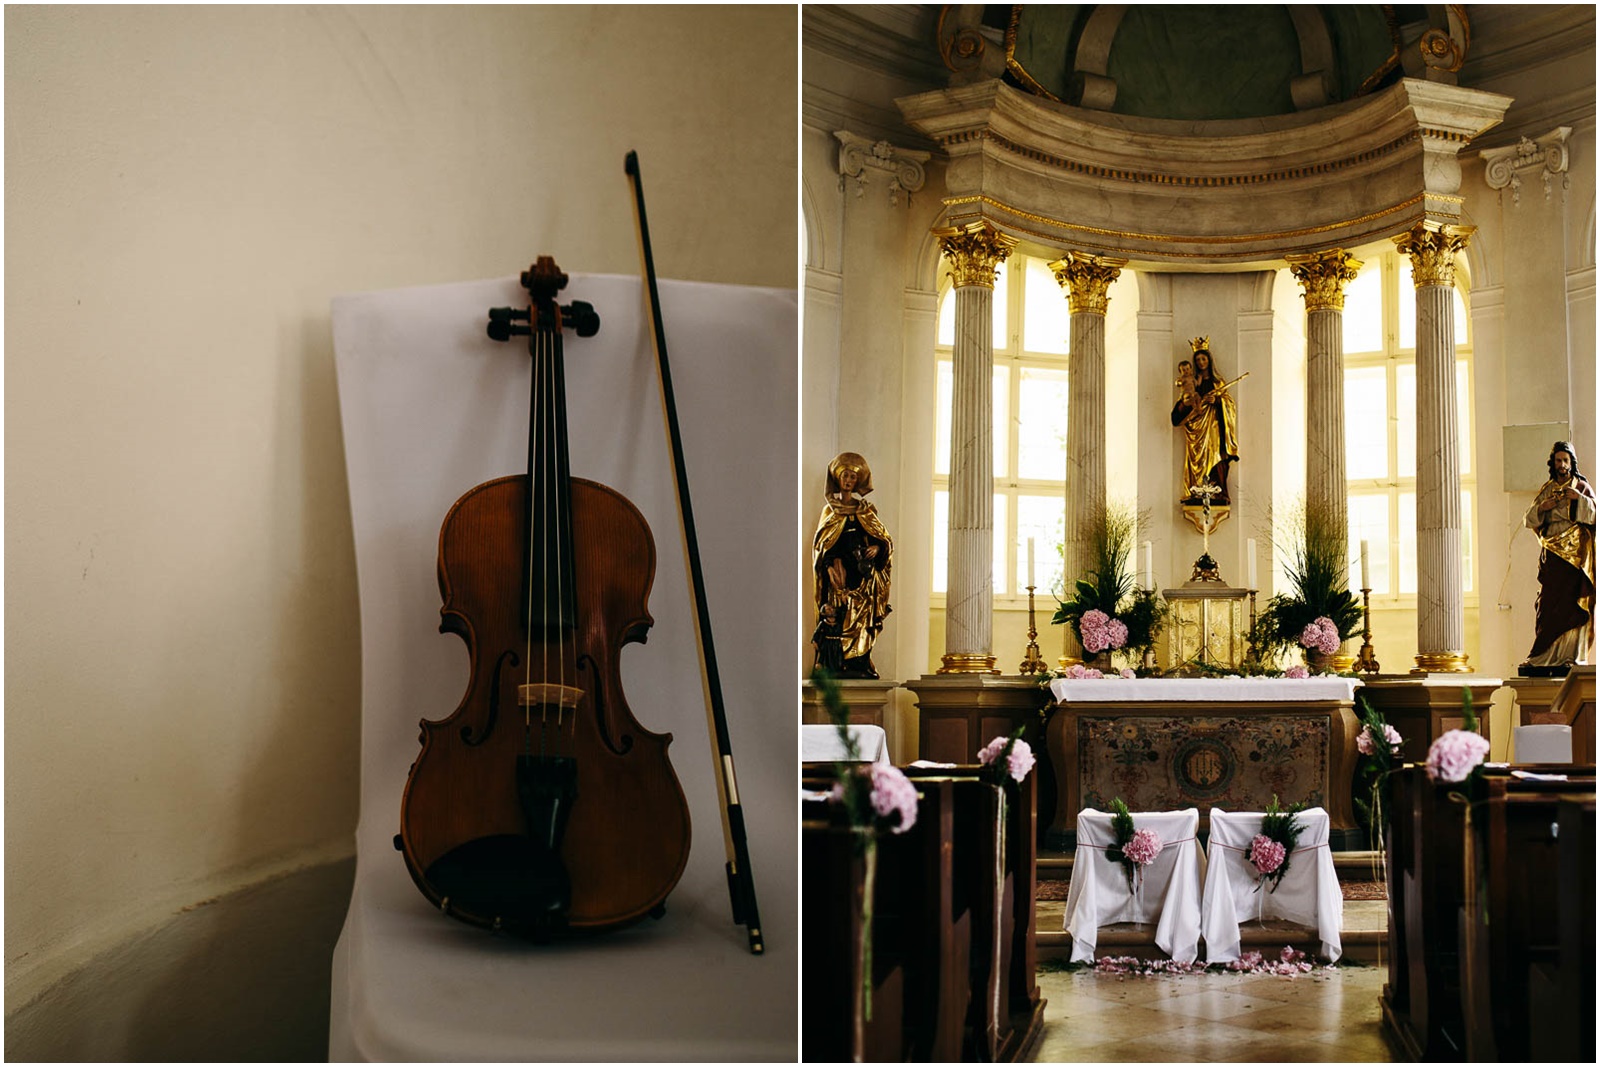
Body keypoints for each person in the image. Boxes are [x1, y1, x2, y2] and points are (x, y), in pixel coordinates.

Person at [812, 452, 892, 678]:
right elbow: (823, 545)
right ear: (838, 479)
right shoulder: (830, 511)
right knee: (840, 617)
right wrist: (829, 566)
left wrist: (877, 549)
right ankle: (836, 662)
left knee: (862, 621)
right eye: (845, 476)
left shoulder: (865, 510)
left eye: (853, 478)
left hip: (863, 576)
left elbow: (882, 539)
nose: (848, 481)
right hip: (839, 575)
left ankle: (859, 661)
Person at [1522, 441, 1596, 671]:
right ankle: (1543, 656)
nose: (1562, 465)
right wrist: (1543, 507)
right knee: (1549, 602)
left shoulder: (1581, 486)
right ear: (1553, 463)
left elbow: (1595, 515)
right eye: (1558, 461)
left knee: (1572, 603)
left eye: (1565, 460)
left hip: (1575, 556)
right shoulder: (1547, 488)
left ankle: (1571, 654)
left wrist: (1579, 499)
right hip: (1553, 553)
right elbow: (1528, 520)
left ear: (1571, 463)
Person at [1171, 342, 1240, 505]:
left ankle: (1218, 492)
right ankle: (1196, 491)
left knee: (1216, 456)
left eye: (1204, 358)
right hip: (1196, 428)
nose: (1201, 362)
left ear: (1209, 360)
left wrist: (1217, 400)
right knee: (1197, 460)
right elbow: (1180, 409)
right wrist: (1189, 403)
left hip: (1214, 427)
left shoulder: (1218, 383)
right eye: (1198, 360)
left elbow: (1229, 405)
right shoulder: (1193, 383)